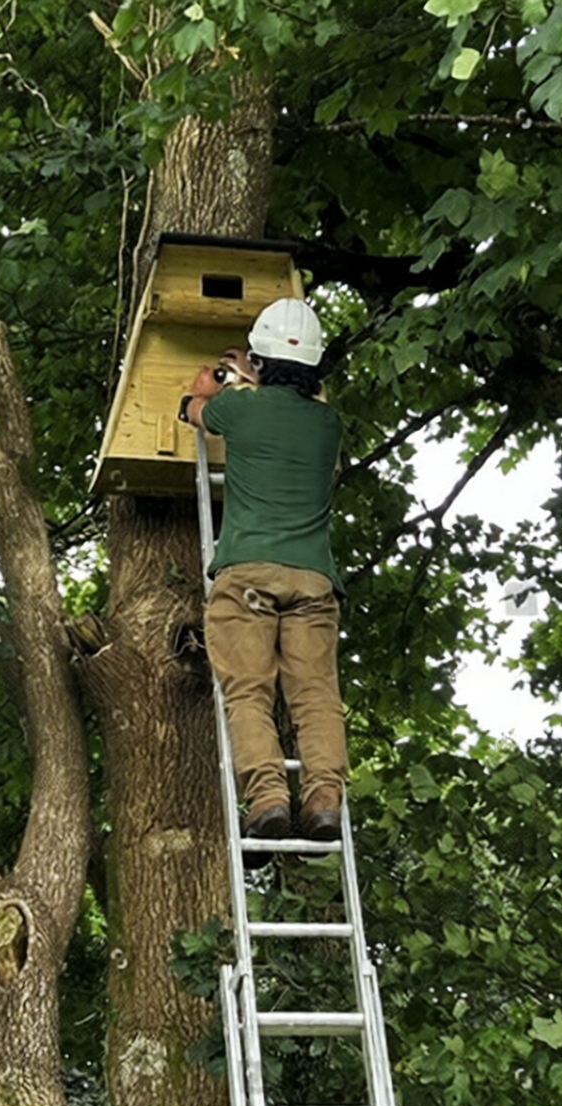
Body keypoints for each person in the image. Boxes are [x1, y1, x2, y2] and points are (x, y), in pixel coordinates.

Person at [179, 298, 347, 847]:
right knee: (316, 694)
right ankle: (324, 797)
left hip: (247, 574)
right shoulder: (328, 423)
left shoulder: (240, 410)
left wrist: (215, 383)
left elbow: (196, 409)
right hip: (313, 582)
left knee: (249, 692)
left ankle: (269, 796)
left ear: (259, 357)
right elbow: (301, 401)